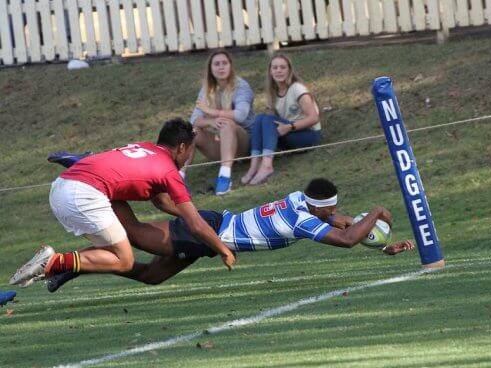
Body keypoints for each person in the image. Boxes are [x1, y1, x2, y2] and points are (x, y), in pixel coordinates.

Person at [41, 178, 414, 292]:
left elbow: (345, 226)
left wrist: (381, 247)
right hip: (210, 230)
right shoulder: (302, 221)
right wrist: (378, 212)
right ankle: (103, 184)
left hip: (212, 233)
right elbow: (347, 235)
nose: (334, 215)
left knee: (150, 275)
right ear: (321, 209)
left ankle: (76, 268)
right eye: (330, 211)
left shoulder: (304, 203)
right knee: (135, 233)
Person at [9, 119, 236, 288]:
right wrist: (224, 250)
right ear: (182, 148)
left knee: (118, 252)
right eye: (190, 152)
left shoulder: (144, 148)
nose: (188, 158)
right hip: (83, 193)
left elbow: (161, 201)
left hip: (64, 186)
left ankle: (64, 266)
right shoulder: (169, 170)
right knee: (124, 259)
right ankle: (55, 262)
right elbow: (195, 225)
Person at [241, 54, 321, 186]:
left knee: (266, 120)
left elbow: (314, 118)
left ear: (289, 70)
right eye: (275, 67)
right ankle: (254, 166)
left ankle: (266, 165)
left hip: (308, 134)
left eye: (283, 67)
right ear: (270, 71)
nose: (279, 70)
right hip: (288, 132)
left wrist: (290, 127)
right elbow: (270, 121)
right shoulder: (273, 92)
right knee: (261, 118)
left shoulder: (297, 88)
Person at [187, 50, 255, 195]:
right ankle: (179, 178)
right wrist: (210, 122)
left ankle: (225, 177)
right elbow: (194, 120)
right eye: (216, 64)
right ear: (210, 68)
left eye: (224, 63)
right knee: (192, 131)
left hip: (245, 144)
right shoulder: (207, 89)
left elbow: (241, 115)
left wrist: (213, 113)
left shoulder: (241, 86)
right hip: (220, 144)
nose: (221, 67)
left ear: (230, 66)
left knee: (226, 123)